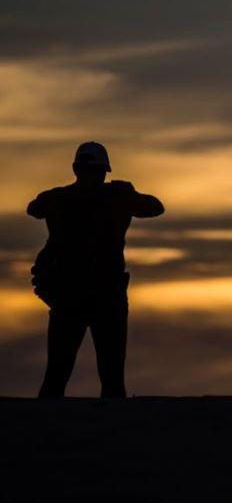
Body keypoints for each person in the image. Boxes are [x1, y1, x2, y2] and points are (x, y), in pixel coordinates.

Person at [28, 141, 164, 399]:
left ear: (75, 168)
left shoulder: (62, 199)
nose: (95, 177)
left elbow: (35, 208)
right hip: (92, 298)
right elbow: (154, 207)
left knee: (67, 378)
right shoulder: (114, 199)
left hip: (84, 298)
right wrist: (128, 194)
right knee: (89, 379)